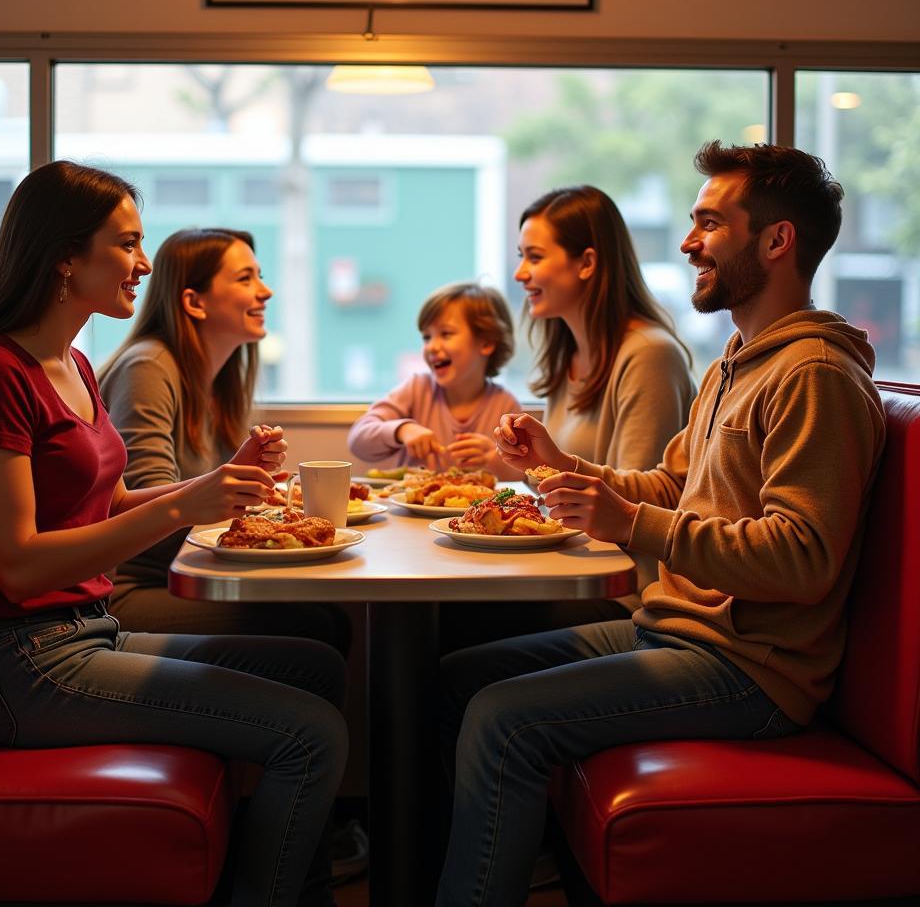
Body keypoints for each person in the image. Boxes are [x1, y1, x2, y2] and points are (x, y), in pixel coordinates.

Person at [436, 142, 887, 907]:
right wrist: (562, 466)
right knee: (457, 677)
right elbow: (673, 485)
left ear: (777, 241)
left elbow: (804, 557)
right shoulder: (735, 364)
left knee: (502, 720)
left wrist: (633, 523)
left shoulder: (812, 374)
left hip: (751, 668)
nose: (687, 242)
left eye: (710, 223)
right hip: (677, 630)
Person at [0, 161, 347, 907]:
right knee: (312, 736)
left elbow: (111, 501)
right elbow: (17, 567)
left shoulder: (73, 362)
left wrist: (218, 484)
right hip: (27, 666)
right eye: (127, 244)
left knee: (316, 664)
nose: (143, 264)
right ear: (63, 256)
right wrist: (187, 506)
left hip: (89, 631)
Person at [441, 186, 696, 652]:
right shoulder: (570, 358)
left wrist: (550, 470)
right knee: (444, 605)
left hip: (627, 589)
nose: (520, 273)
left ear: (587, 263)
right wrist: (517, 466)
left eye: (534, 257)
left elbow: (642, 501)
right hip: (574, 564)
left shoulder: (649, 356)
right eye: (520, 256)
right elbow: (557, 484)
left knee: (453, 619)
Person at [99, 228, 351, 656]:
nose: (266, 291)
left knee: (326, 613)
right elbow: (149, 512)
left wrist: (255, 493)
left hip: (179, 571)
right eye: (245, 278)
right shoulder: (148, 367)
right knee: (314, 623)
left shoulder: (218, 382)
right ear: (194, 302)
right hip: (131, 588)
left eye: (260, 276)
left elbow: (210, 499)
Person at [348, 281, 523, 481]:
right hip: (412, 511)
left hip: (477, 511)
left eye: (445, 334)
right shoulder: (417, 389)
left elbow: (523, 475)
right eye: (426, 337)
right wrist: (402, 430)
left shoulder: (506, 406)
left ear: (487, 343)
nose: (431, 346)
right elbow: (358, 439)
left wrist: (492, 458)